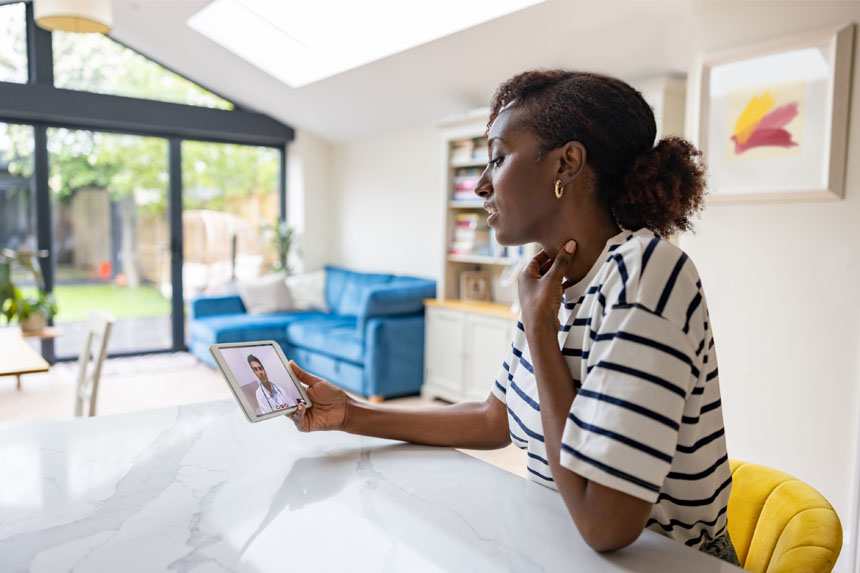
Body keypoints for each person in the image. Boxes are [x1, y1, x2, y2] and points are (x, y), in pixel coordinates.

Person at [286, 70, 739, 565]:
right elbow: (494, 418)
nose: (482, 185)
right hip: (554, 542)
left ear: (567, 164)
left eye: (498, 159)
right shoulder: (550, 284)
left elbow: (605, 523)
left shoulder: (646, 274)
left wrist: (541, 329)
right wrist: (351, 414)